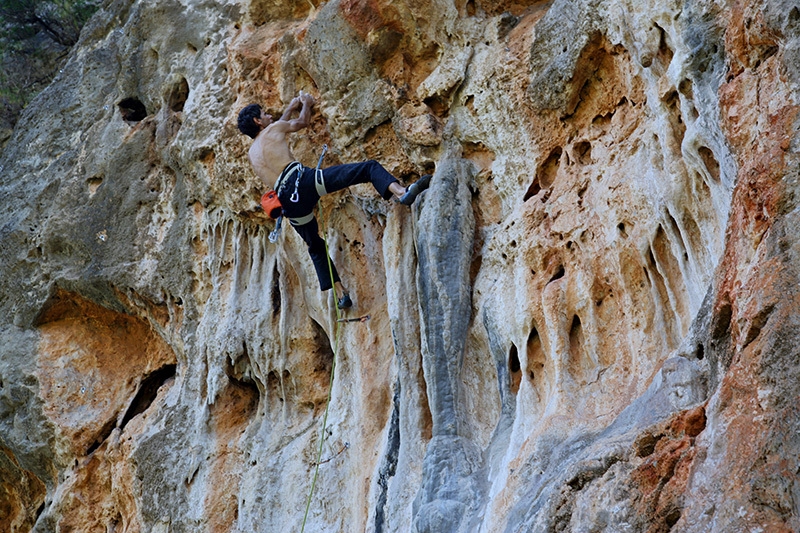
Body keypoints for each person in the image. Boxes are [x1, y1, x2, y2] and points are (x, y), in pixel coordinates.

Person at [237, 92, 431, 309]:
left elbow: (275, 133)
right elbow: (301, 123)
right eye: (264, 114)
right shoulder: (274, 129)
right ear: (257, 121)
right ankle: (401, 192)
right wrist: (306, 105)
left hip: (288, 204)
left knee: (315, 246)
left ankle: (341, 294)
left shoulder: (252, 154)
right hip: (306, 182)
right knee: (367, 168)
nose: (269, 116)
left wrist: (290, 106)